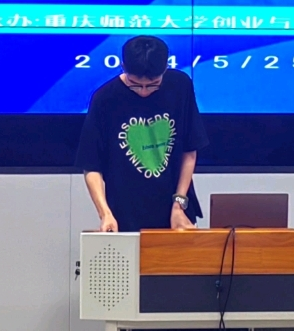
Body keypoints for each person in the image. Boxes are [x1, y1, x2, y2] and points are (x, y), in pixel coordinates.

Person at [76, 35, 208, 232]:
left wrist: (179, 204)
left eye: (153, 84)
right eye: (135, 84)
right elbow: (91, 166)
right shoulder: (105, 99)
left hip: (176, 212)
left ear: (165, 68)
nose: (144, 91)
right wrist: (105, 213)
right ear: (123, 67)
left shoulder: (180, 86)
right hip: (124, 214)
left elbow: (189, 151)